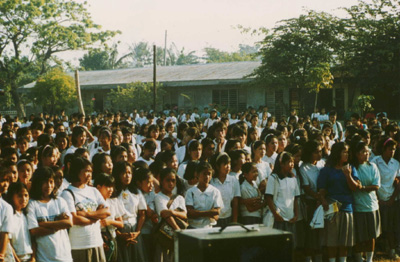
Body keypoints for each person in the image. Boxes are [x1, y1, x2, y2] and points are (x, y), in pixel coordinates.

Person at [318, 142, 361, 262]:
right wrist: (323, 200)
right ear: (337, 153)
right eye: (344, 152)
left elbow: (354, 188)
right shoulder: (326, 170)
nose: (347, 154)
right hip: (332, 209)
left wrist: (348, 175)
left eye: (348, 152)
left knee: (344, 240)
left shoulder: (351, 168)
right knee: (331, 240)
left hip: (347, 208)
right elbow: (321, 190)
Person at [60, 157, 110, 262]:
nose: (89, 174)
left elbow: (106, 211)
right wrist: (96, 217)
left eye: (90, 171)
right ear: (77, 171)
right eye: (86, 171)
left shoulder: (93, 191)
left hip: (97, 242)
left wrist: (86, 214)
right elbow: (75, 219)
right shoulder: (67, 193)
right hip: (79, 245)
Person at [27, 167, 73, 262]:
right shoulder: (32, 204)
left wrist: (43, 224)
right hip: (44, 258)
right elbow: (34, 230)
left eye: (51, 182)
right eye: (44, 182)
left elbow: (69, 223)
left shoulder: (60, 201)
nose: (48, 186)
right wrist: (58, 223)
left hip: (64, 257)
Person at [350, 141, 381, 262]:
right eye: (363, 152)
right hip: (357, 206)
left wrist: (362, 188)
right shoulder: (352, 167)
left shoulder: (372, 166)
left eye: (367, 151)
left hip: (372, 206)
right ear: (357, 154)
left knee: (371, 236)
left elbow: (376, 186)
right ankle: (358, 258)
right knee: (359, 235)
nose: (367, 154)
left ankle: (369, 259)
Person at [370, 137, 399, 259]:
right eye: (389, 149)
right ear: (383, 149)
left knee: (391, 226)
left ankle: (392, 250)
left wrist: (392, 199)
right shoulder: (375, 161)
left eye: (393, 149)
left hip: (391, 200)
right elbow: (372, 180)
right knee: (377, 226)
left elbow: (398, 183)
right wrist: (377, 199)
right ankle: (374, 250)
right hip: (377, 199)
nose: (391, 152)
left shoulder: (396, 163)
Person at [112, 161, 147, 262]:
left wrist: (137, 232)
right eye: (124, 173)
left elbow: (142, 214)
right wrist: (119, 234)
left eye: (129, 173)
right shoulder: (113, 192)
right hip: (120, 231)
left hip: (135, 230)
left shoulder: (136, 192)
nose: (127, 176)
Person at [265, 152, 300, 246]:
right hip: (279, 219)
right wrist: (275, 214)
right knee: (278, 247)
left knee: (290, 247)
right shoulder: (274, 178)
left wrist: (296, 215)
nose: (292, 164)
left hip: (290, 218)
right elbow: (268, 197)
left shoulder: (293, 179)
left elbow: (296, 198)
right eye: (289, 162)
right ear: (281, 164)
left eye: (292, 162)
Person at [299, 140, 324, 262]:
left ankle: (319, 258)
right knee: (311, 234)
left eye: (320, 151)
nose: (319, 154)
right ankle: (309, 258)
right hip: (311, 203)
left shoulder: (322, 164)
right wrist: (317, 197)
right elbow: (306, 187)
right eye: (316, 152)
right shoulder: (303, 168)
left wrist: (322, 197)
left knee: (321, 233)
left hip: (323, 202)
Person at [154, 168, 187, 262]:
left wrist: (172, 212)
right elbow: (165, 215)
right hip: (165, 236)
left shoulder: (179, 198)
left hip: (177, 237)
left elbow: (184, 215)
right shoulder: (159, 197)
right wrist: (177, 229)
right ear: (161, 181)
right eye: (167, 180)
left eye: (173, 180)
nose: (171, 183)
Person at [94, 173, 124, 262]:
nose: (111, 189)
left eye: (112, 186)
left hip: (111, 237)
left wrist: (110, 222)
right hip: (98, 238)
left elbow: (121, 223)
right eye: (107, 186)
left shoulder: (114, 201)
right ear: (98, 187)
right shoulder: (93, 203)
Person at [185, 161, 223, 229]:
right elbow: (190, 213)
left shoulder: (215, 191)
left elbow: (217, 211)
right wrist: (210, 213)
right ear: (197, 174)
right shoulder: (190, 192)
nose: (207, 176)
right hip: (193, 227)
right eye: (204, 174)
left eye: (209, 174)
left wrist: (197, 213)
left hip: (208, 227)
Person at [5, 182, 34, 262]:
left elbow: (33, 238)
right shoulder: (10, 216)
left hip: (29, 257)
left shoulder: (27, 215)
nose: (24, 199)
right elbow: (8, 242)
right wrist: (17, 259)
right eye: (19, 196)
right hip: (15, 258)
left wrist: (33, 258)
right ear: (11, 197)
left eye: (26, 195)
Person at [210, 153, 240, 226]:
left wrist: (234, 222)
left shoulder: (234, 180)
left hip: (228, 218)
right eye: (225, 164)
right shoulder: (211, 182)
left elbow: (235, 203)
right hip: (214, 219)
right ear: (217, 166)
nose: (228, 167)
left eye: (229, 164)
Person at [0, 166, 14, 262]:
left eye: (7, 181)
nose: (6, 184)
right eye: (2, 180)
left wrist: (1, 254)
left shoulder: (6, 207)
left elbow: (5, 234)